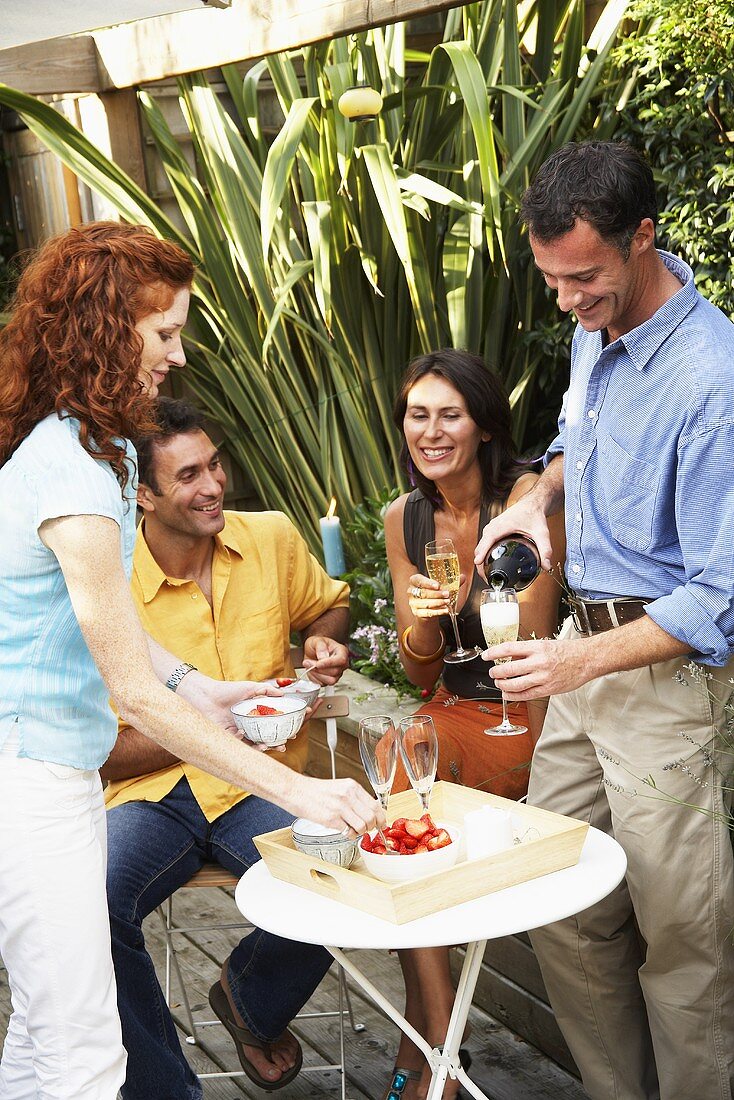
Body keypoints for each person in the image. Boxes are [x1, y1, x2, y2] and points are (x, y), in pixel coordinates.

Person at [0, 222, 381, 1100]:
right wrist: (301, 790)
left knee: (40, 1036)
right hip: (29, 782)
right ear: (106, 327)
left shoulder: (103, 450)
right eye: (164, 332)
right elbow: (126, 683)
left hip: (51, 776)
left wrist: (204, 688)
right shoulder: (69, 469)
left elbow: (117, 642)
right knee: (84, 1052)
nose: (177, 353)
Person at [475, 141, 734, 1100]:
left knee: (683, 942)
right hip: (581, 649)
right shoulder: (597, 321)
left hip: (664, 682)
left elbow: (720, 597)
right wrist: (533, 502)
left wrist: (576, 667)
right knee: (558, 897)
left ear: (643, 240)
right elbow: (566, 440)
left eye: (582, 278)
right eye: (550, 280)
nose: (567, 303)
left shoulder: (716, 381)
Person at [102, 395, 352, 1097]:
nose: (212, 485)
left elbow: (330, 602)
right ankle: (163, 1087)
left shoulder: (269, 537)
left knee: (343, 869)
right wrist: (204, 733)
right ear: (143, 495)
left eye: (214, 465)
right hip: (154, 799)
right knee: (90, 903)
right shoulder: (107, 583)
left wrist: (322, 638)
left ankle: (249, 995)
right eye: (187, 476)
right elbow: (103, 755)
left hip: (263, 785)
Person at [383, 348, 564, 1100]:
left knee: (402, 786)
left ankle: (424, 1048)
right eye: (417, 415)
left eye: (448, 415)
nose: (431, 431)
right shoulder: (405, 517)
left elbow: (528, 644)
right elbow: (423, 672)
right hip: (453, 709)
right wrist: (424, 625)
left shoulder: (524, 501)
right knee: (396, 763)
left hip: (523, 710)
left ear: (484, 425)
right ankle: (438, 1039)